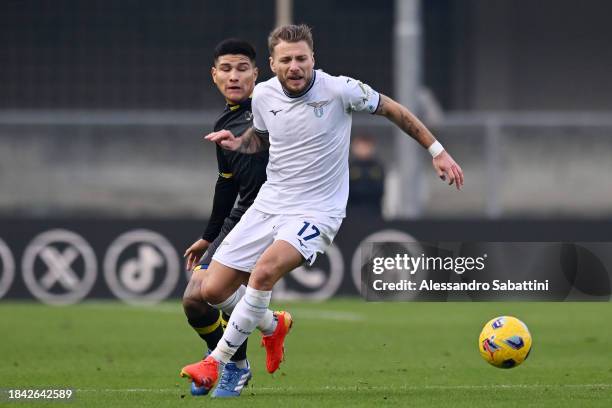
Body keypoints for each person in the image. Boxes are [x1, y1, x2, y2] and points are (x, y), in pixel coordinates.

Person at [180, 24, 464, 393]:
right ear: (272, 63)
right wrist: (238, 142)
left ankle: (215, 363)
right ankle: (272, 325)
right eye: (286, 60)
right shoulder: (264, 96)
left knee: (263, 273)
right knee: (213, 291)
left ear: (313, 58)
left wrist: (436, 151)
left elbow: (393, 109)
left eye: (301, 58)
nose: (295, 66)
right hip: (271, 203)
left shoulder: (339, 89)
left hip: (317, 211)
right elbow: (261, 140)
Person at [181, 38, 270, 398]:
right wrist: (208, 235)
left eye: (242, 68)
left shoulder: (271, 106)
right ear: (214, 74)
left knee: (214, 292)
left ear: (256, 73)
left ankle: (231, 363)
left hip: (271, 219)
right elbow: (226, 183)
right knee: (194, 300)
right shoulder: (224, 120)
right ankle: (253, 341)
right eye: (226, 69)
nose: (234, 76)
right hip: (238, 219)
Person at [348, 134, 386, 218]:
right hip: (351, 214)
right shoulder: (348, 167)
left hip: (373, 212)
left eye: (366, 146)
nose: (363, 150)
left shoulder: (377, 167)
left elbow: (379, 191)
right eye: (360, 146)